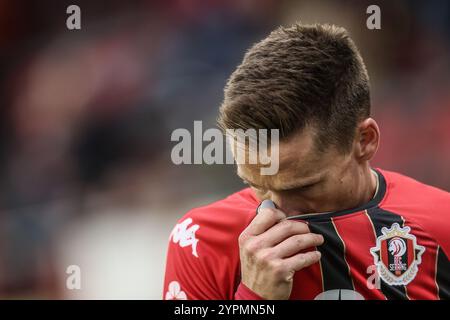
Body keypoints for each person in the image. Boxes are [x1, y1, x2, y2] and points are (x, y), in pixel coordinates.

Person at [163, 23, 450, 300]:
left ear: (364, 141)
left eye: (301, 188)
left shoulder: (441, 226)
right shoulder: (200, 241)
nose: (272, 211)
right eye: (256, 185)